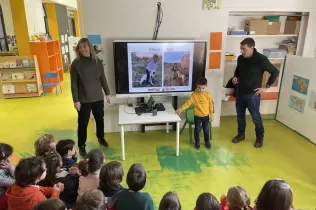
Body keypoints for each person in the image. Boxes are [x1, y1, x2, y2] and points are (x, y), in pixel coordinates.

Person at [232, 38, 279, 148]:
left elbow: (275, 72)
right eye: (241, 49)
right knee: (240, 116)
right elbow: (238, 70)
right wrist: (235, 76)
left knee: (255, 117)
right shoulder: (240, 58)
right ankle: (241, 134)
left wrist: (266, 87)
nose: (241, 51)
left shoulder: (261, 59)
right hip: (240, 92)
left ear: (252, 47)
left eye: (244, 49)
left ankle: (259, 137)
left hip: (253, 95)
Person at [71, 38, 110, 157]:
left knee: (100, 119)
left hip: (98, 97)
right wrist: (76, 100)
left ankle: (101, 137)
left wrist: (107, 93)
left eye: (85, 46)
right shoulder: (76, 63)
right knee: (83, 123)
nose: (83, 49)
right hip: (83, 99)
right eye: (80, 47)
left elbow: (102, 78)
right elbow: (73, 83)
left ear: (90, 47)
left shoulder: (97, 61)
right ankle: (82, 145)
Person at [176, 77, 214, 149]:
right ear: (196, 86)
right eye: (199, 88)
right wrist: (180, 109)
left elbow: (211, 105)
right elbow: (187, 103)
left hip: (206, 116)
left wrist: (212, 114)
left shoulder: (208, 95)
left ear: (206, 87)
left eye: (203, 88)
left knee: (206, 129)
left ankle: (207, 141)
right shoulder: (194, 95)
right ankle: (197, 142)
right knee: (196, 129)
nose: (201, 90)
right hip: (197, 116)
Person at [0, 143, 15, 210]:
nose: (12, 157)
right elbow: (18, 180)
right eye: (11, 156)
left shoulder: (4, 165)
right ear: (3, 159)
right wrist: (11, 167)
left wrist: (10, 167)